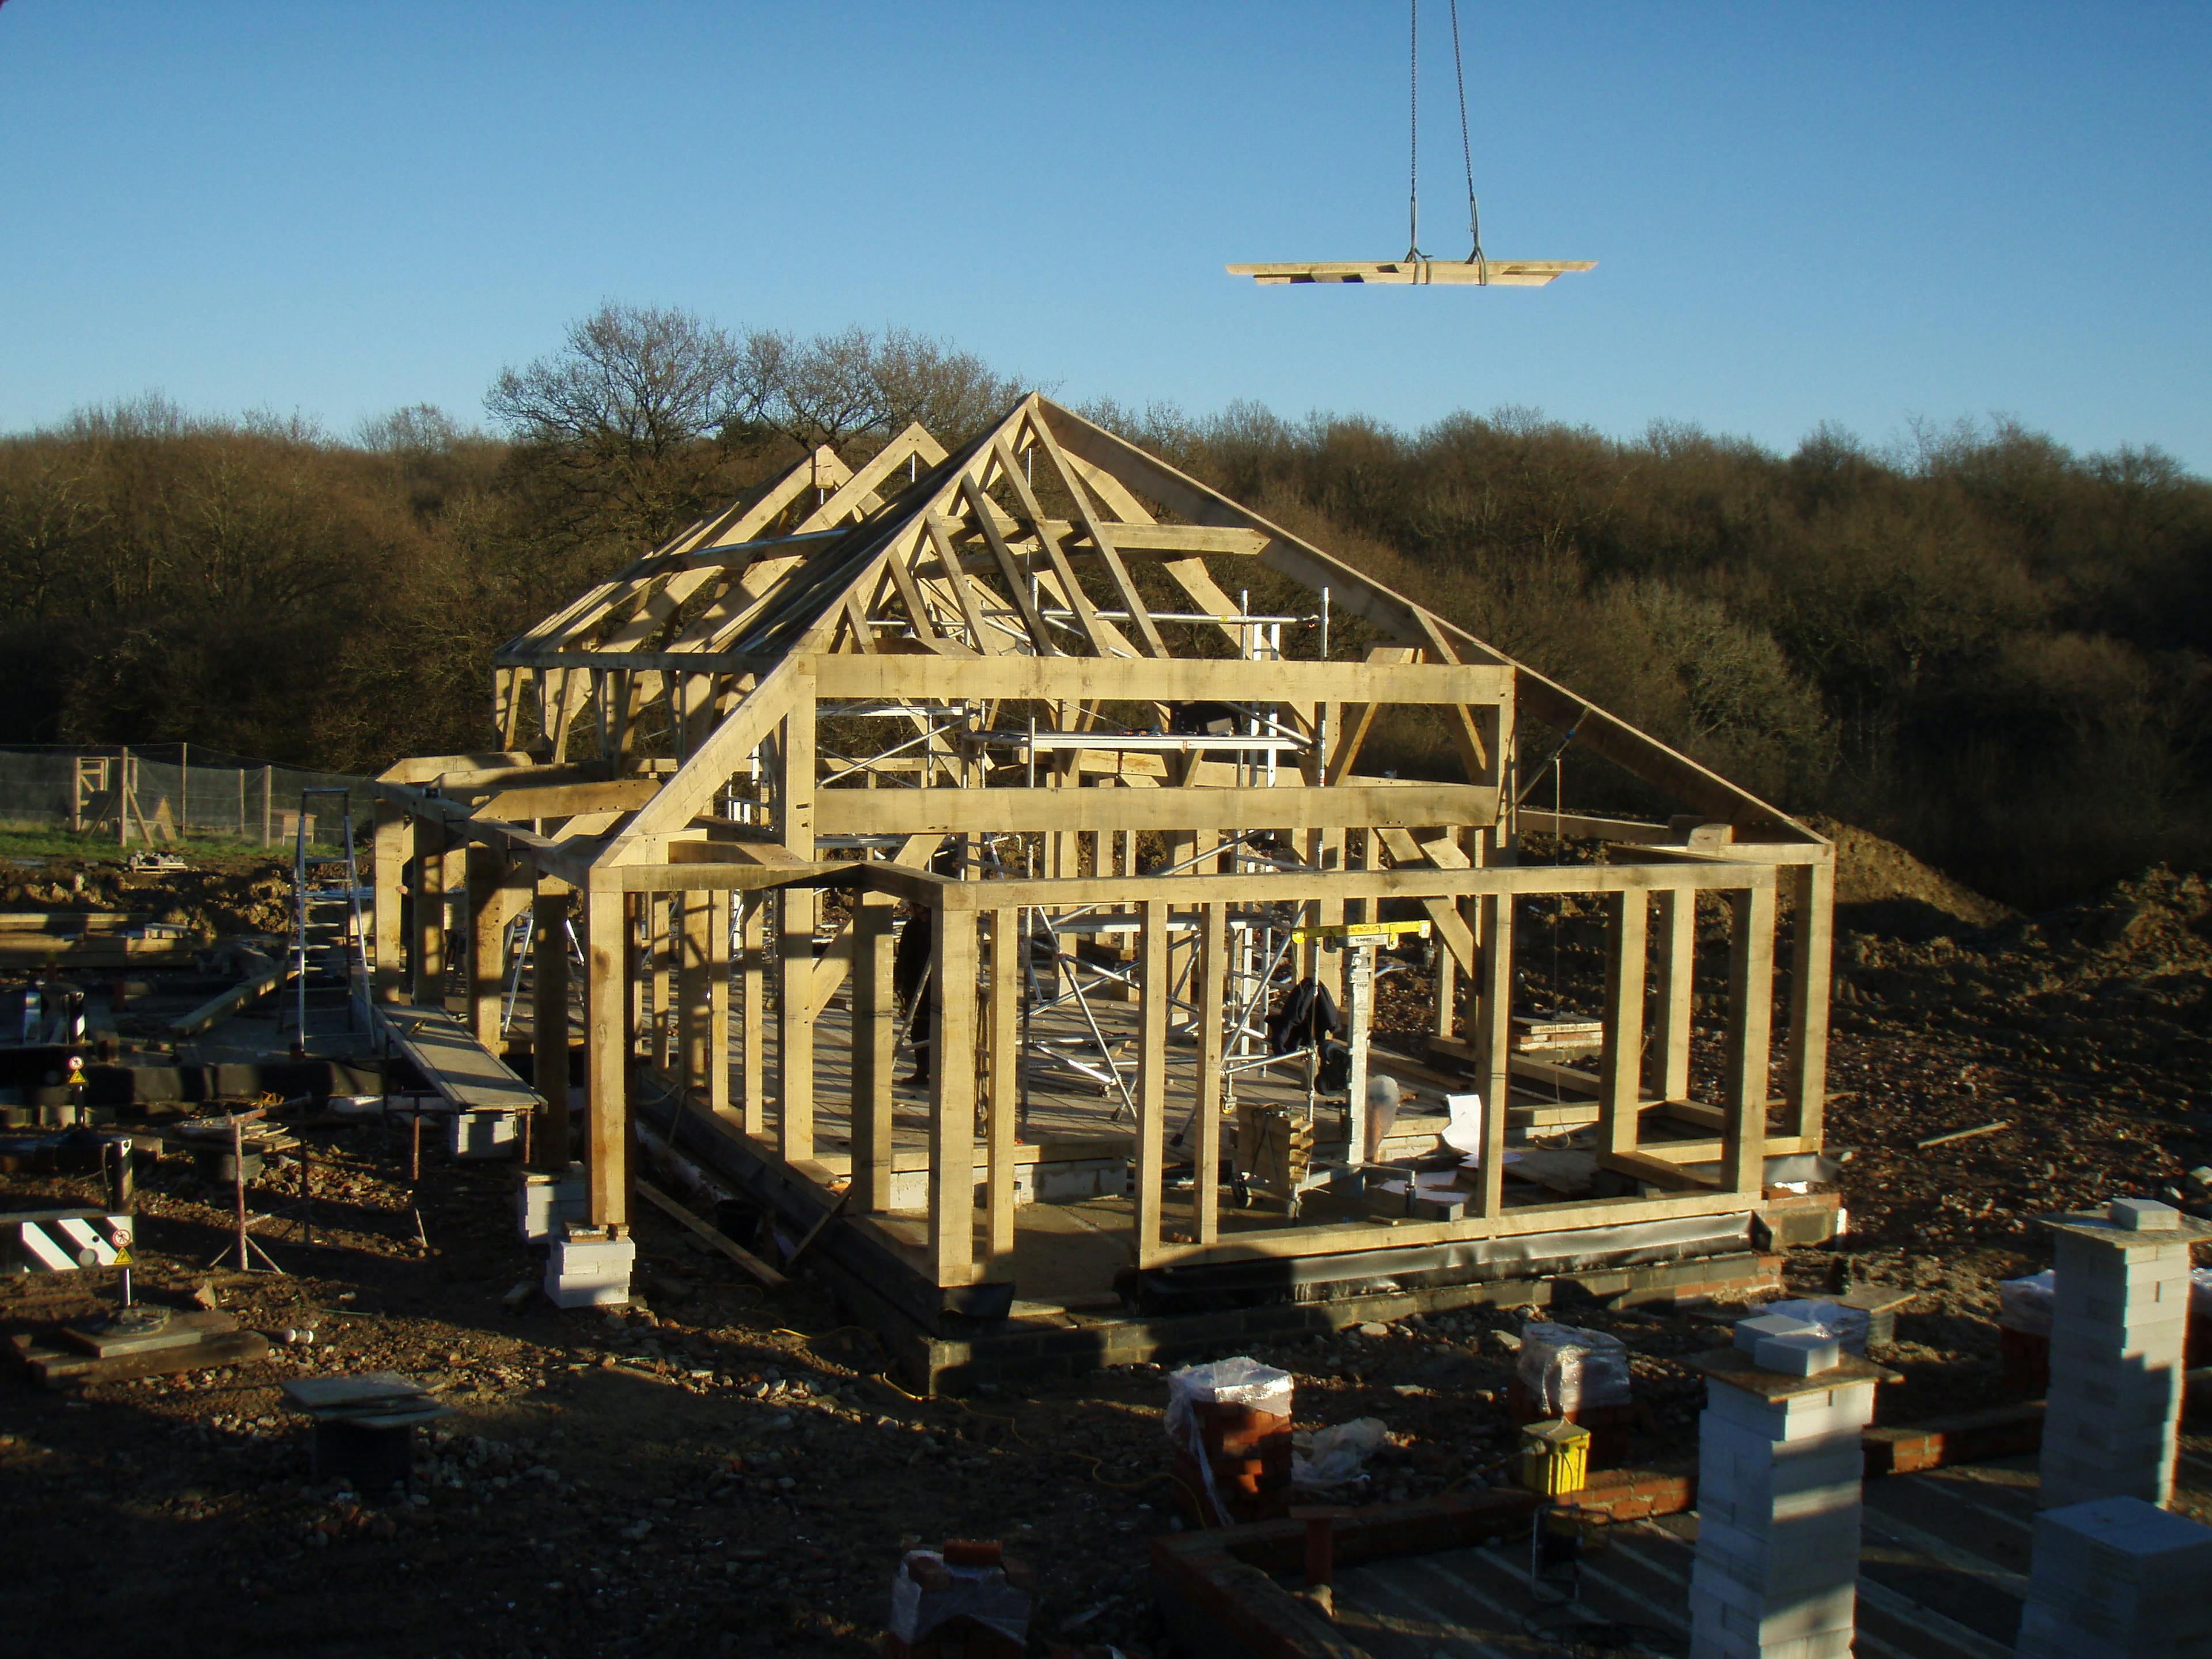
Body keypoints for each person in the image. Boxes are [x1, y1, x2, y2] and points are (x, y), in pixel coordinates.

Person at [892, 904, 934, 1086]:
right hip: (915, 985)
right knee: (918, 1030)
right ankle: (922, 1070)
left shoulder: (940, 927)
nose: (920, 914)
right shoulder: (912, 928)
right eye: (916, 909)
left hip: (937, 985)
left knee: (939, 1030)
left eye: (923, 910)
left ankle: (937, 1072)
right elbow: (903, 957)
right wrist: (899, 980)